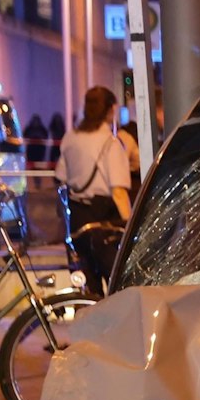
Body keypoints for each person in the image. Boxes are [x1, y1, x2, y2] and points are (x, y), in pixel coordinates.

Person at [58, 86, 132, 294]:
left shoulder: (70, 138)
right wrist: (130, 226)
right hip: (103, 219)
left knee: (88, 285)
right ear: (110, 110)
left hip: (77, 217)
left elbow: (61, 177)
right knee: (118, 281)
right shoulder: (110, 143)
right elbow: (118, 192)